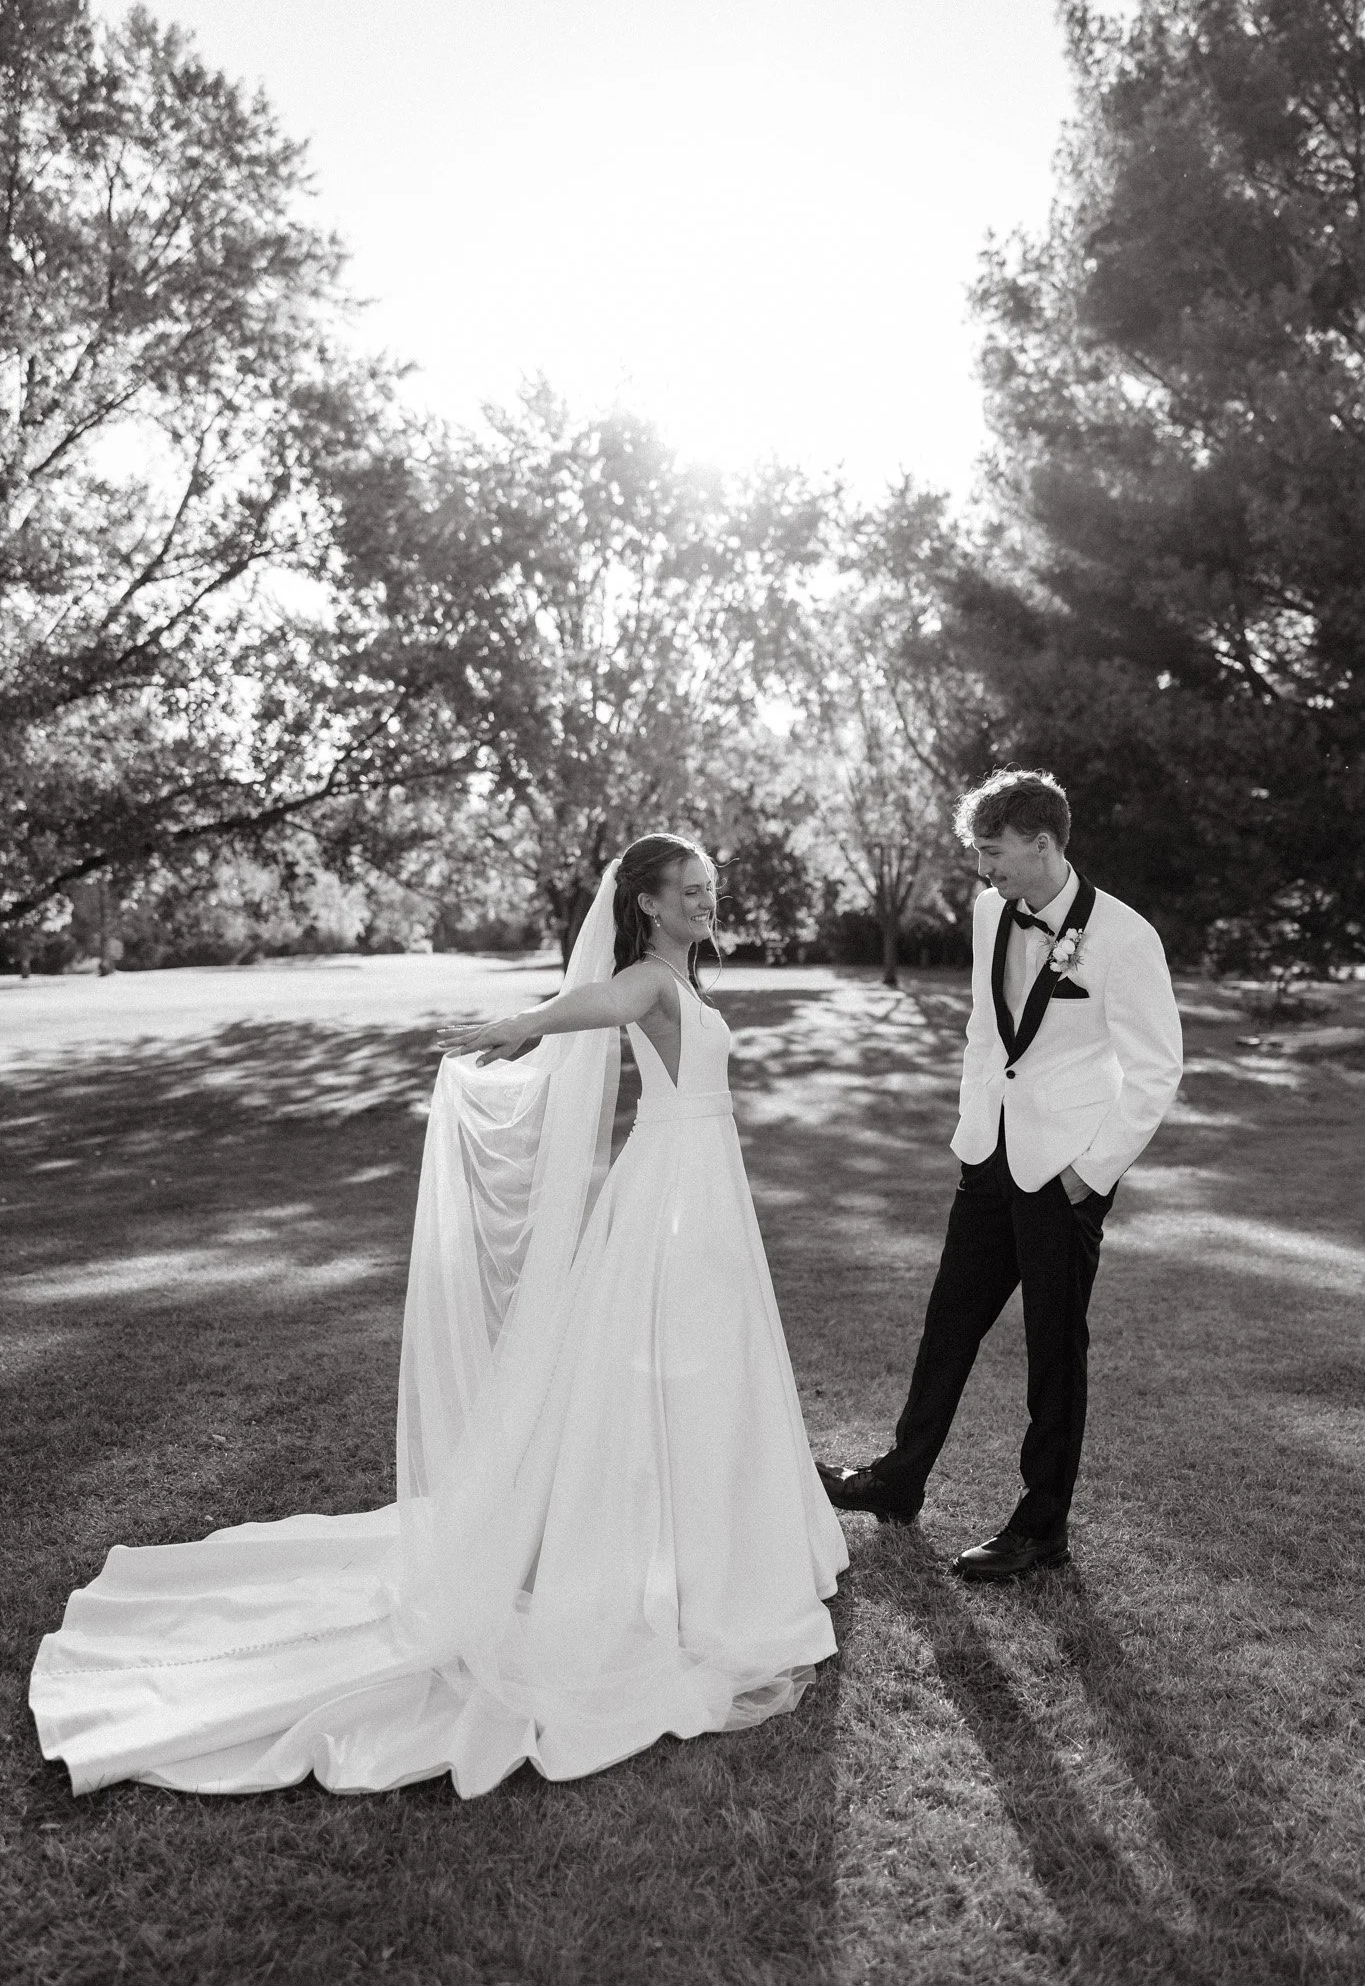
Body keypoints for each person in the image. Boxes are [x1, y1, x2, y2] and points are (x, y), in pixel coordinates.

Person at [30, 835, 846, 1797]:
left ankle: (710, 1541)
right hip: (672, 1188)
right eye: (689, 892)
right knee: (669, 1360)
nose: (706, 902)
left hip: (704, 1185)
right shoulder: (645, 979)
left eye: (711, 889)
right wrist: (524, 1023)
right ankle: (658, 1552)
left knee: (709, 1361)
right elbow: (601, 1005)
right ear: (650, 905)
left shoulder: (684, 977)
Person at [820, 769, 1182, 1579]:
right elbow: (986, 1034)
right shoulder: (991, 911)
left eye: (993, 852)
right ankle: (898, 1478)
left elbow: (1156, 1070)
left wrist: (1089, 1175)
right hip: (988, 1158)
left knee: (1054, 1352)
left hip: (1063, 1172)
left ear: (1042, 842)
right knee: (947, 1323)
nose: (984, 870)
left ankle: (1040, 1526)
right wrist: (970, 1131)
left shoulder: (1125, 936)